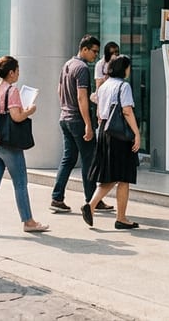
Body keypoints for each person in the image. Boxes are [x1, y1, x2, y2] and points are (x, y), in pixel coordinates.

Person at [0, 55, 49, 236]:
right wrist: (29, 110)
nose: (18, 74)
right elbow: (16, 117)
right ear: (11, 72)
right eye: (17, 70)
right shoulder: (12, 91)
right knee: (20, 183)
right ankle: (28, 221)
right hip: (8, 144)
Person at [50, 35, 112, 214]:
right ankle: (92, 200)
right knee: (89, 160)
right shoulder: (82, 68)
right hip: (78, 120)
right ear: (84, 49)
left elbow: (59, 89)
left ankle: (57, 197)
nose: (95, 55)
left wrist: (65, 108)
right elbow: (81, 97)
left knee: (68, 159)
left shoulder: (68, 64)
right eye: (93, 51)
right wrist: (87, 124)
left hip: (65, 118)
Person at [83, 55, 141, 229]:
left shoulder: (104, 86)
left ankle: (91, 206)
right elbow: (127, 111)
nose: (129, 70)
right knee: (123, 177)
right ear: (123, 69)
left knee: (112, 175)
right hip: (121, 137)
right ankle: (120, 218)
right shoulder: (124, 86)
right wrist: (137, 134)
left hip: (105, 134)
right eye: (128, 67)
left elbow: (100, 113)